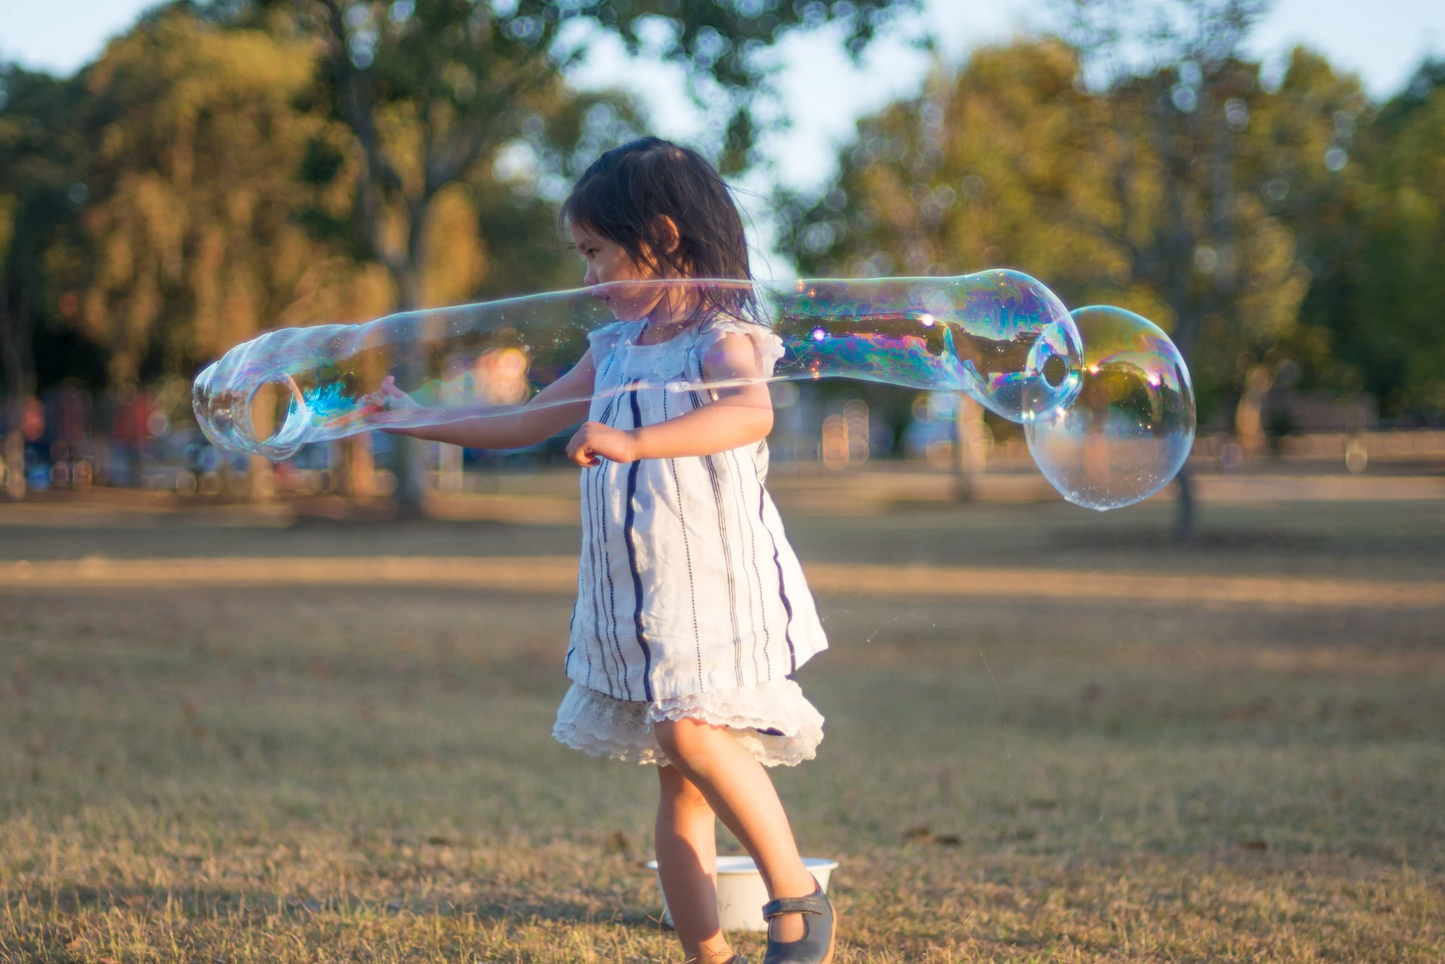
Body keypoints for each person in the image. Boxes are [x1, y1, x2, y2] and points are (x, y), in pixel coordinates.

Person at [372, 137, 835, 964]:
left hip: (714, 592)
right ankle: (707, 954)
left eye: (596, 253)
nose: (586, 275)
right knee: (678, 780)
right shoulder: (611, 348)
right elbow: (520, 422)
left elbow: (749, 415)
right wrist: (413, 415)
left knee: (694, 735)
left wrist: (636, 440)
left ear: (659, 236)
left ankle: (796, 898)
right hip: (634, 602)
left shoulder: (724, 338)